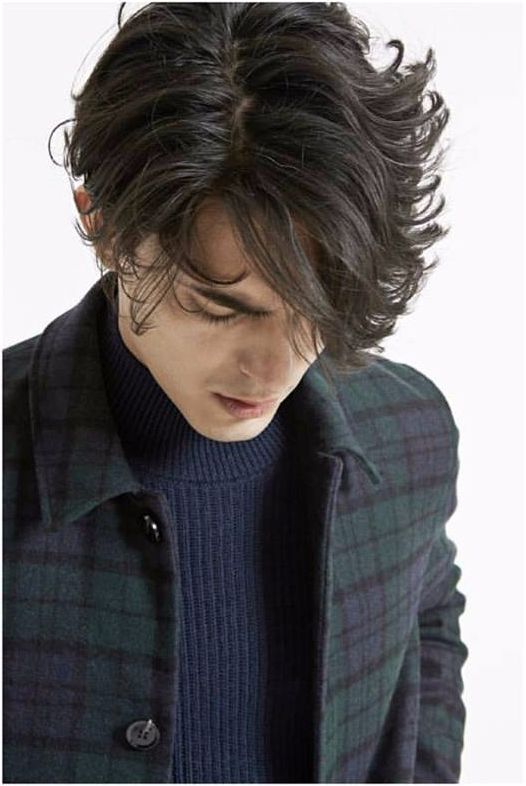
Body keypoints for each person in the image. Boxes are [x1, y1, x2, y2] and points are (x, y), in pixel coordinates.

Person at [3, 3, 469, 783]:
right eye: (221, 308)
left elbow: (427, 615)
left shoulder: (409, 430)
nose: (276, 368)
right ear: (104, 225)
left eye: (317, 311)